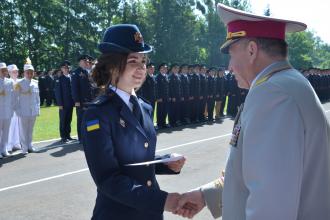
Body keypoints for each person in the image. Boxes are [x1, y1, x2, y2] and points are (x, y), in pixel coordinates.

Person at [176, 3, 330, 220]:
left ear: (251, 50)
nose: (229, 66)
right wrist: (206, 195)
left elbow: (271, 203)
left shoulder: (272, 94)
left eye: (231, 54)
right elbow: (264, 175)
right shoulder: (287, 84)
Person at [81, 24, 186, 220]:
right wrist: (162, 201)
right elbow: (108, 178)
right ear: (112, 66)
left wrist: (164, 163)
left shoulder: (144, 107)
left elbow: (132, 161)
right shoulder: (98, 114)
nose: (141, 68)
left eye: (143, 61)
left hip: (149, 214)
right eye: (132, 61)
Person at [15, 59, 40, 155]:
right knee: (23, 130)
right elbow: (15, 98)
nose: (30, 74)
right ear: (24, 73)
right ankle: (24, 147)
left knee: (31, 129)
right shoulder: (19, 84)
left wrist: (38, 109)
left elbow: (37, 97)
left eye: (31, 72)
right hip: (23, 110)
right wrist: (18, 111)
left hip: (33, 110)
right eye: (28, 72)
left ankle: (30, 145)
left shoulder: (35, 83)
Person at [71, 54, 93, 144]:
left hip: (90, 100)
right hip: (81, 101)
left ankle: (90, 135)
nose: (87, 62)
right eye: (85, 61)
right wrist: (76, 101)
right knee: (81, 119)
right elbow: (74, 88)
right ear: (80, 62)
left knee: (90, 118)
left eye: (87, 61)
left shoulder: (87, 72)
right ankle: (81, 137)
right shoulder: (76, 73)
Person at [54, 60, 75, 143]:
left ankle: (68, 135)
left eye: (67, 67)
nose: (66, 69)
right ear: (61, 69)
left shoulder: (71, 77)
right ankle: (63, 136)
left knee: (69, 119)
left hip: (70, 103)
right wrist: (60, 104)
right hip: (63, 103)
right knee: (63, 120)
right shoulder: (59, 79)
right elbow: (58, 93)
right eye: (64, 68)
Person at [0, 62, 14, 158]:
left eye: (5, 70)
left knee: (6, 131)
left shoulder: (10, 82)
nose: (4, 72)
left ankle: (4, 149)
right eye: (2, 70)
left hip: (8, 111)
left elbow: (13, 96)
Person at [7, 64, 21, 152]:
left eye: (16, 71)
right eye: (13, 72)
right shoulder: (7, 82)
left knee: (18, 126)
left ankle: (16, 143)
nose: (15, 73)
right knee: (10, 127)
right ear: (9, 73)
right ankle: (8, 145)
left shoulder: (20, 82)